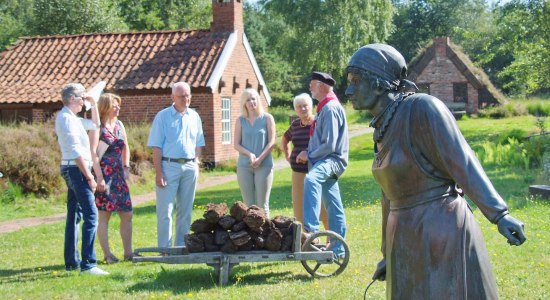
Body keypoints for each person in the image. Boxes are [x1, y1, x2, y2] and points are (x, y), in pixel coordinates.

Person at [345, 44, 527, 299]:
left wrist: (499, 214)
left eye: (356, 81)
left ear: (378, 83)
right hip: (405, 236)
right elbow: (390, 193)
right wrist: (388, 253)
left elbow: (462, 161)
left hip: (439, 230)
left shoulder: (422, 109)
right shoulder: (382, 126)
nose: (348, 90)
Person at [55, 83, 109, 275]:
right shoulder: (66, 119)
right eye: (81, 97)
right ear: (71, 98)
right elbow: (76, 151)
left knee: (74, 215)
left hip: (74, 168)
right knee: (91, 215)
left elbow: (95, 125)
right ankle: (88, 264)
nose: (83, 100)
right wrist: (89, 176)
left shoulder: (73, 118)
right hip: (76, 169)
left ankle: (72, 261)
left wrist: (93, 105)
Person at [296, 72, 349, 258]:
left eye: (312, 84)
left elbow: (330, 144)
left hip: (332, 160)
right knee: (334, 205)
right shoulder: (325, 107)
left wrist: (308, 154)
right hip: (325, 161)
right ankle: (338, 249)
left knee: (311, 179)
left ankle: (311, 229)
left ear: (320, 85)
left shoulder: (330, 108)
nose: (310, 87)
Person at [147, 82, 205, 248]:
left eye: (187, 95)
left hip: (189, 167)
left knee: (185, 211)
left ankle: (181, 246)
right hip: (168, 166)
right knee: (165, 211)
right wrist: (159, 173)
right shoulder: (163, 116)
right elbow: (156, 147)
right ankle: (165, 249)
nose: (185, 99)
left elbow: (198, 143)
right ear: (173, 97)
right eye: (181, 96)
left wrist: (197, 164)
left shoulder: (194, 116)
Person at [93, 93, 134, 263]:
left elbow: (126, 148)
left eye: (118, 105)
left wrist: (126, 167)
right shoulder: (98, 128)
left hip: (119, 174)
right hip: (104, 174)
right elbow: (94, 154)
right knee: (105, 216)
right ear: (105, 107)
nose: (118, 108)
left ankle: (128, 252)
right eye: (114, 105)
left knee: (127, 214)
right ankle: (107, 255)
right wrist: (99, 178)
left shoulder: (119, 125)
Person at [281, 93, 329, 230]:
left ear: (311, 106)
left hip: (315, 170)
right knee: (299, 207)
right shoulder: (295, 124)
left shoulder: (317, 123)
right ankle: (307, 239)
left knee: (321, 205)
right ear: (296, 110)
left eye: (305, 106)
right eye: (299, 107)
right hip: (297, 172)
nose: (302, 109)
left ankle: (329, 238)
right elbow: (285, 139)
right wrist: (287, 155)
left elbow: (325, 144)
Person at [233, 88, 276, 217]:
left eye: (254, 99)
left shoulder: (267, 118)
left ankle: (265, 235)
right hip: (244, 166)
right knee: (248, 205)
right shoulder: (240, 120)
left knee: (262, 205)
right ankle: (250, 237)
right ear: (244, 103)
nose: (251, 102)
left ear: (258, 100)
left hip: (264, 165)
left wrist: (260, 158)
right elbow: (236, 144)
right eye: (248, 100)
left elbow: (272, 142)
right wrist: (250, 155)